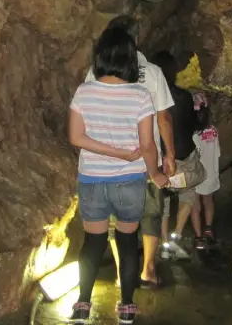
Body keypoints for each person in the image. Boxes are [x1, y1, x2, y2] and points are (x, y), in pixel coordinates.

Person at [68, 27, 169, 324]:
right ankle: (126, 306)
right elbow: (147, 145)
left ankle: (82, 306)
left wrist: (110, 152)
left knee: (93, 243)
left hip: (92, 181)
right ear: (130, 62)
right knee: (127, 243)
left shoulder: (84, 91)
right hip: (129, 181)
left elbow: (76, 137)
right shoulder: (139, 95)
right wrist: (156, 174)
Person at [85, 15, 176, 289]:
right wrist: (169, 155)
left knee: (116, 218)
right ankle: (147, 270)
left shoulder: (96, 73)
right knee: (150, 215)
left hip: (110, 162)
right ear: (136, 39)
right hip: (147, 162)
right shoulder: (153, 72)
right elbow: (164, 118)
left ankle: (120, 274)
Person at [151, 51, 206, 259]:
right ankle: (177, 236)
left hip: (160, 160)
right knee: (190, 191)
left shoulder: (149, 98)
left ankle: (164, 242)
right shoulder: (183, 97)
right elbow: (192, 125)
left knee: (163, 198)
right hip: (183, 157)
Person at [190, 91, 220, 249]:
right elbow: (218, 152)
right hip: (210, 172)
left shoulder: (191, 133)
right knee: (208, 201)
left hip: (196, 173)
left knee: (195, 205)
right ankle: (208, 230)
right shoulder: (213, 130)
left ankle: (198, 237)